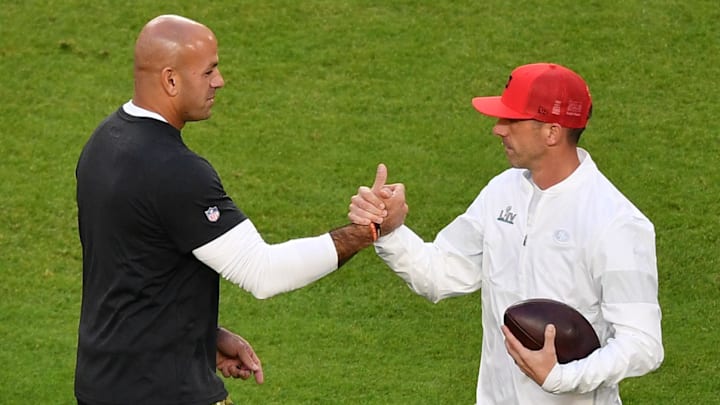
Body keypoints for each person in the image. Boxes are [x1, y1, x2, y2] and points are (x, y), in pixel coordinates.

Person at [75, 15, 377, 405]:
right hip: (166, 393)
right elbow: (263, 272)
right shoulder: (176, 170)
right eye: (209, 71)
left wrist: (203, 335)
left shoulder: (102, 142)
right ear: (171, 80)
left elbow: (130, 269)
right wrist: (366, 231)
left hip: (102, 385)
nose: (220, 81)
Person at [348, 63, 664, 404]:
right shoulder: (502, 192)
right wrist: (391, 230)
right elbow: (440, 275)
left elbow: (643, 343)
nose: (498, 129)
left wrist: (561, 378)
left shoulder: (616, 222)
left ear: (552, 132)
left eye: (512, 120)